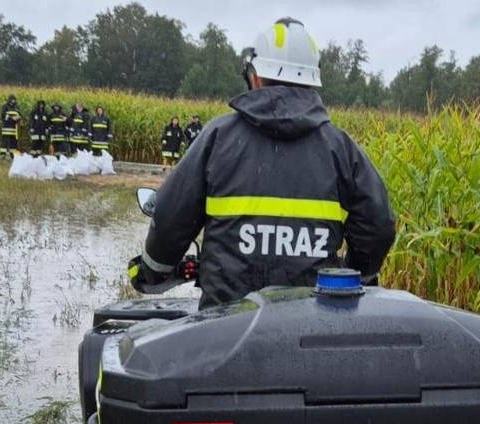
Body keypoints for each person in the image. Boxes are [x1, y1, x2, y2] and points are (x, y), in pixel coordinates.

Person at [129, 18, 395, 308]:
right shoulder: (341, 149)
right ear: (312, 82)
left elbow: (170, 216)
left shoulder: (218, 139)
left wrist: (154, 271)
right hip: (309, 326)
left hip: (224, 325)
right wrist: (355, 274)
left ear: (255, 77)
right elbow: (378, 225)